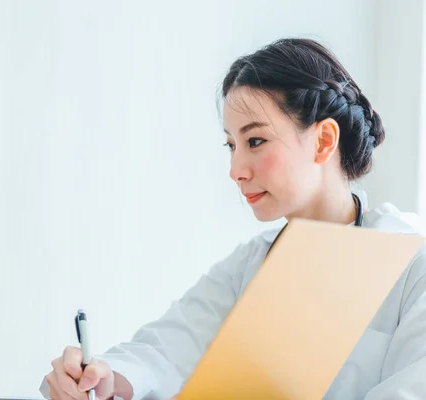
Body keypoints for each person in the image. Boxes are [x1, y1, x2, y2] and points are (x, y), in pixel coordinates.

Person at [39, 38, 426, 400]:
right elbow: (164, 351)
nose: (236, 170)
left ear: (324, 141)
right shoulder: (249, 266)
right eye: (231, 145)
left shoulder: (412, 263)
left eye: (255, 141)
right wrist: (102, 377)